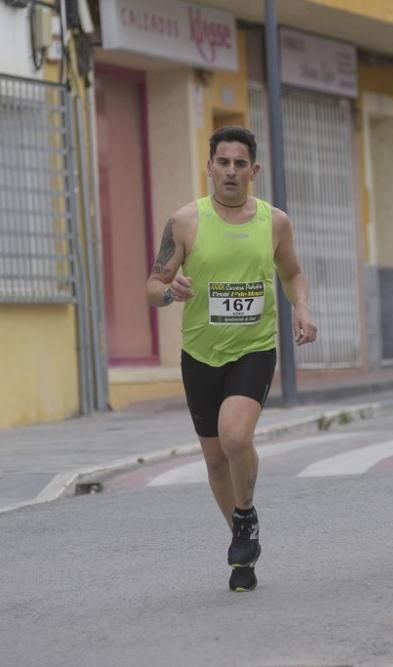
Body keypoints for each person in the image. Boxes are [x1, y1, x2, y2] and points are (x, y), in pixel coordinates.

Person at [145, 125, 317, 592]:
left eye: (240, 164)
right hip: (200, 354)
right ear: (209, 166)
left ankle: (245, 514)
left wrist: (300, 307)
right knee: (215, 459)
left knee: (235, 438)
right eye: (223, 162)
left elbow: (293, 273)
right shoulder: (185, 222)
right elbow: (153, 286)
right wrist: (170, 292)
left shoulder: (274, 222)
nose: (231, 171)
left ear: (254, 170)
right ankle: (243, 541)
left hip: (254, 348)